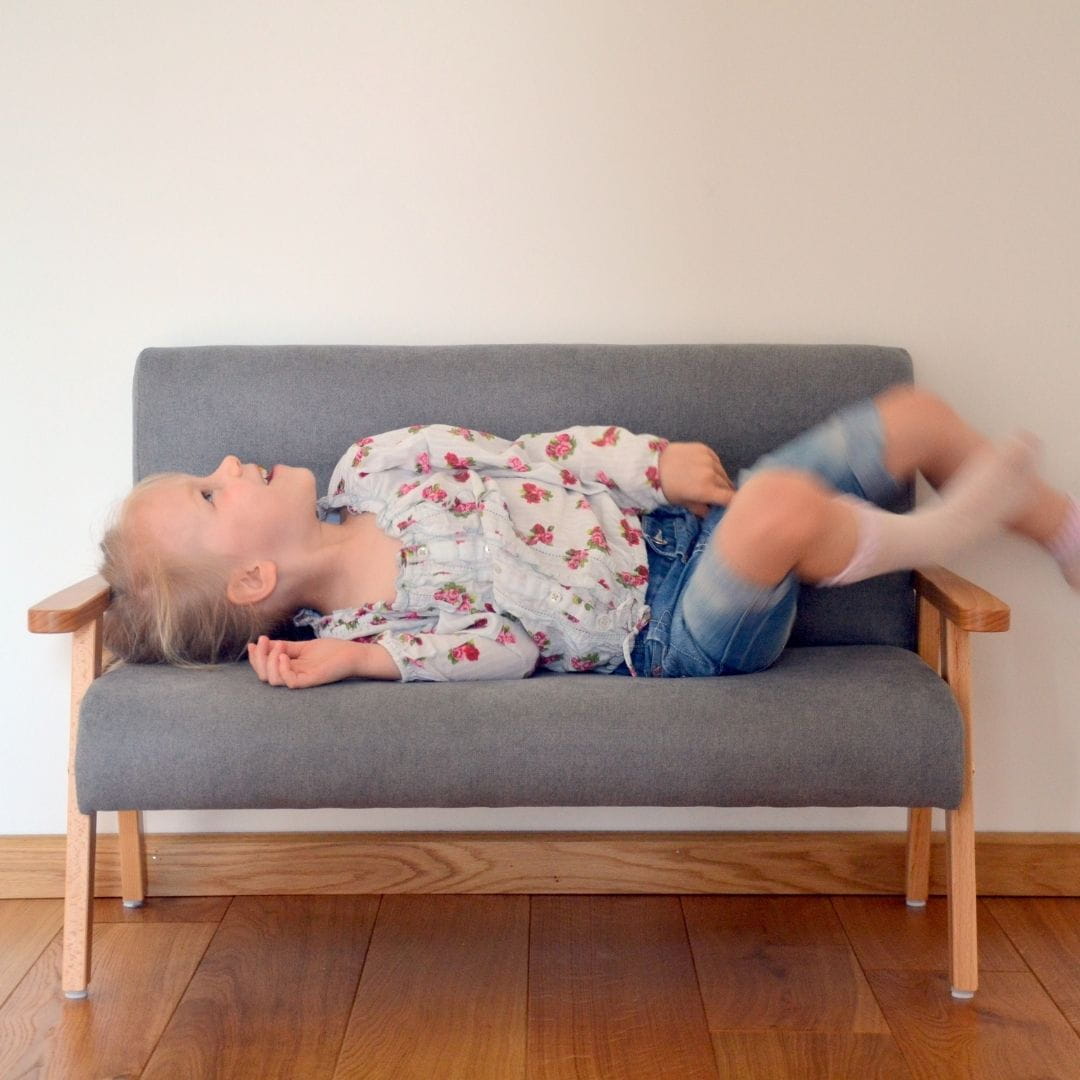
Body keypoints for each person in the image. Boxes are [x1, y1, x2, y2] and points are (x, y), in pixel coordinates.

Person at [99, 386, 1078, 688]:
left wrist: (652, 464)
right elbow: (511, 649)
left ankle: (1063, 532)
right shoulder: (374, 625)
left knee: (911, 416)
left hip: (677, 529)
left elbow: (534, 454)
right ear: (253, 576)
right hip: (672, 630)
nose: (229, 462)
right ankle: (941, 530)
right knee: (779, 508)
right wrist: (361, 658)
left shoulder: (378, 463)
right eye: (210, 492)